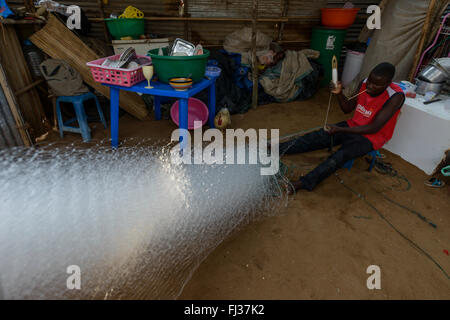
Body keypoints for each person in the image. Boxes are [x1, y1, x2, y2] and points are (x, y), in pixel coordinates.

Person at [280, 62, 405, 193]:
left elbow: (374, 128)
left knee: (339, 157)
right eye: (370, 81)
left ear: (388, 83)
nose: (370, 86)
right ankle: (278, 148)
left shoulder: (395, 96)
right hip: (353, 125)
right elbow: (347, 108)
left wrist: (340, 129)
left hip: (372, 137)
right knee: (316, 137)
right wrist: (339, 93)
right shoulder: (365, 83)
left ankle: (303, 183)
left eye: (376, 84)